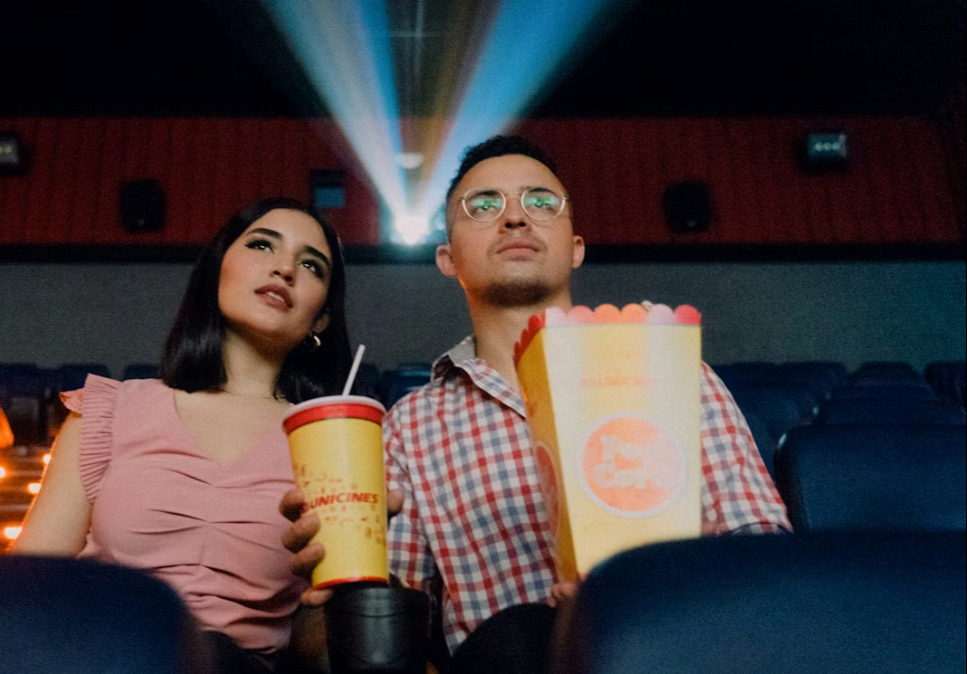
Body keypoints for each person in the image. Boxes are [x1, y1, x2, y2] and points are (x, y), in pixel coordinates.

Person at [281, 136, 790, 673]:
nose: (516, 218)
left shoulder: (674, 372)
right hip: (508, 658)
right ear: (447, 258)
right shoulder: (412, 425)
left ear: (575, 247)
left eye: (541, 202)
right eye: (484, 205)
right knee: (524, 634)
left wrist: (661, 580)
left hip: (676, 645)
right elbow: (395, 634)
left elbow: (766, 557)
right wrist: (338, 577)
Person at [14, 197, 352, 674]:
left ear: (321, 319)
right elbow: (29, 587)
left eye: (311, 265)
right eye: (262, 245)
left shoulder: (332, 443)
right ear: (217, 270)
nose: (284, 269)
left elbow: (321, 649)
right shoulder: (110, 411)